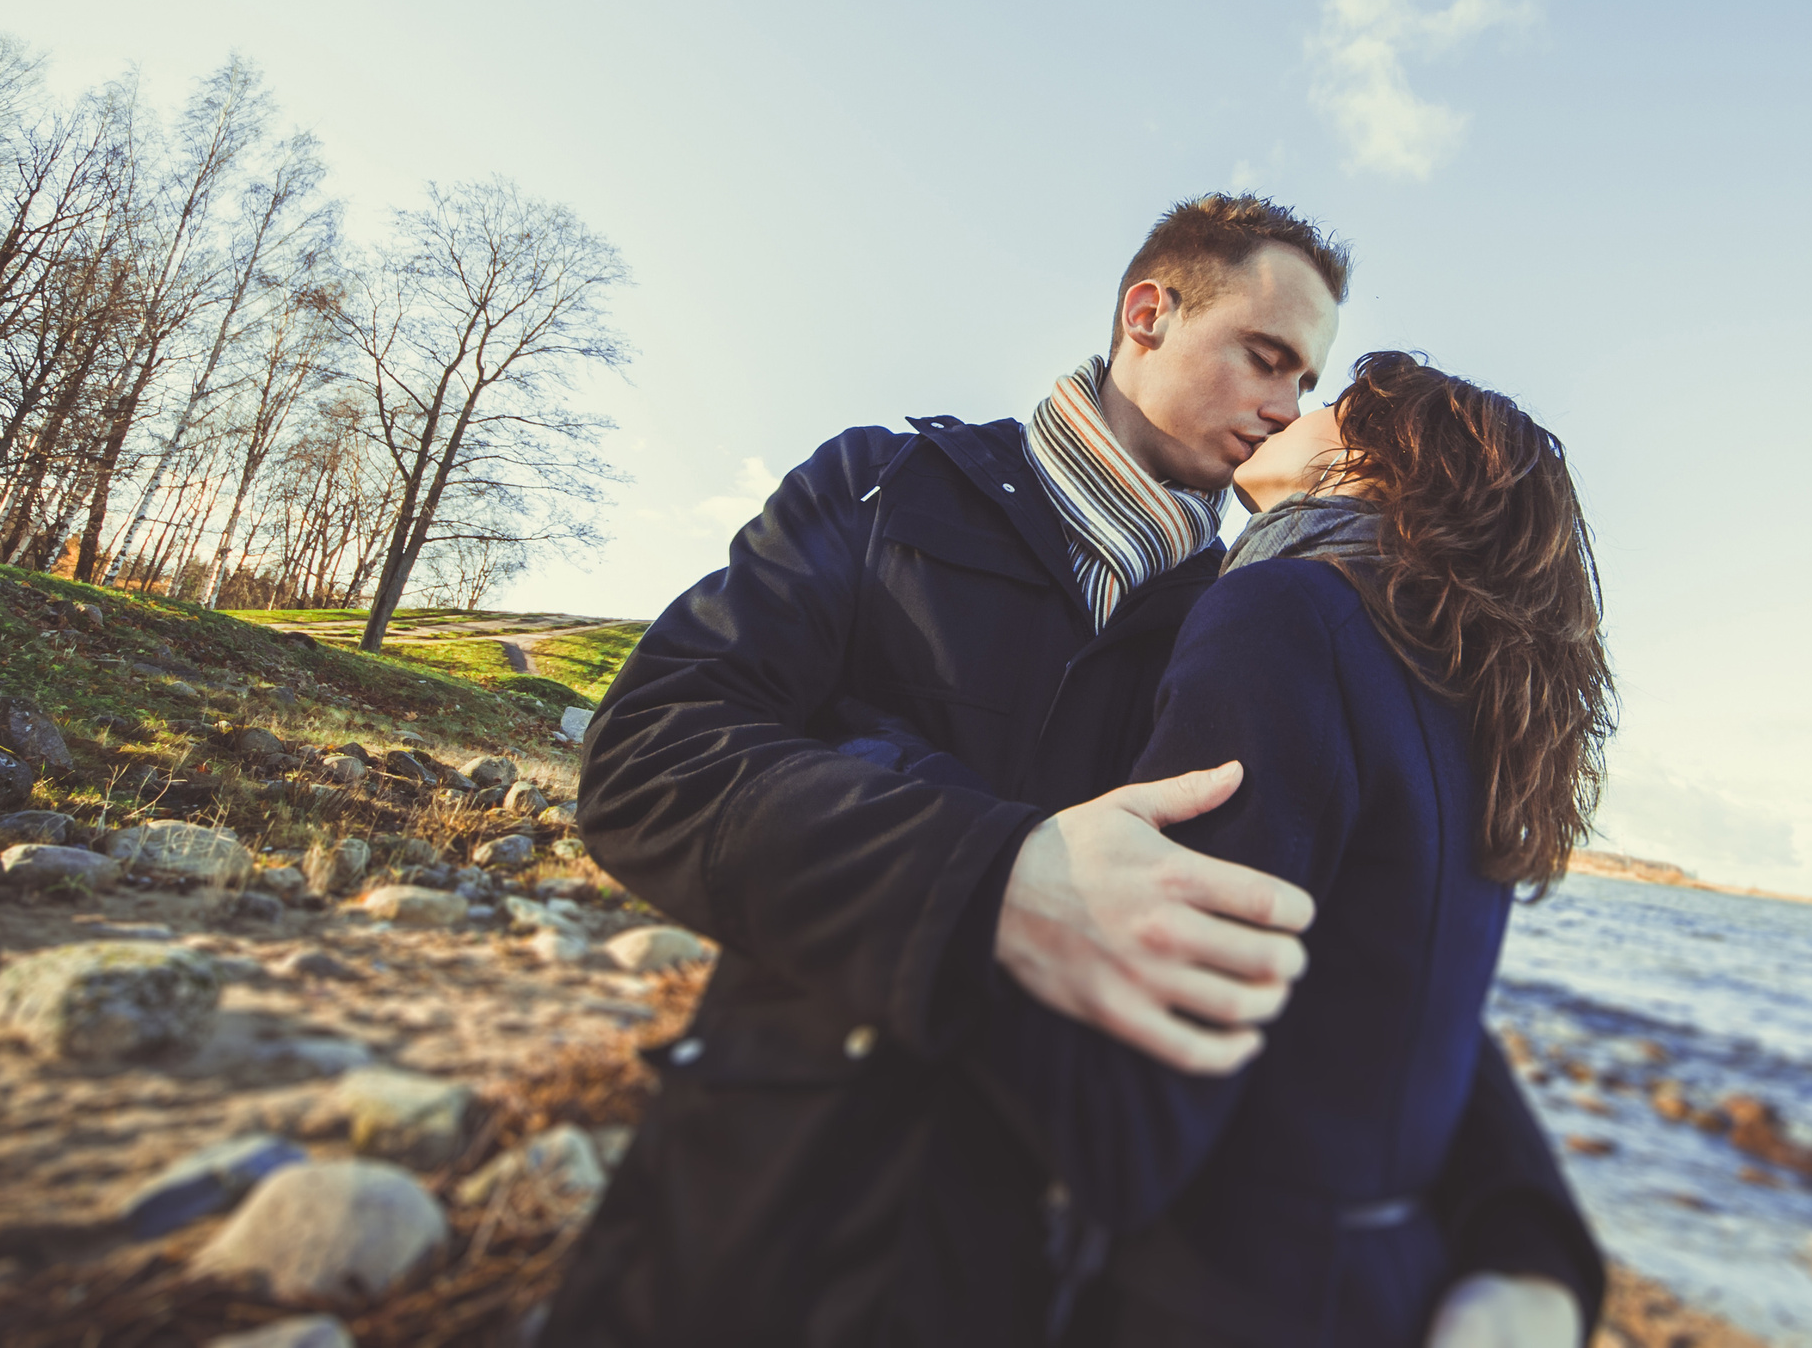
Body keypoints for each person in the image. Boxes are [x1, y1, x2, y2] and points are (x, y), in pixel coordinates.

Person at [543, 196, 1600, 1346]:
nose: (1287, 405)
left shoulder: (1247, 619)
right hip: (761, 1204)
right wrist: (992, 872)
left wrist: (1523, 1235)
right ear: (1147, 314)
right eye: (1268, 356)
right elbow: (646, 758)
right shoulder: (885, 489)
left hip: (1013, 1276)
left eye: (1309, 383)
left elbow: (1338, 942)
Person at [973, 351, 1619, 1348]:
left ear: (1378, 463)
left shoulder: (1289, 612)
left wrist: (956, 877)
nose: (1293, 410)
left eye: (1333, 406)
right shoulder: (1469, 688)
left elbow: (1136, 1108)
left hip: (1209, 1295)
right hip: (1388, 1284)